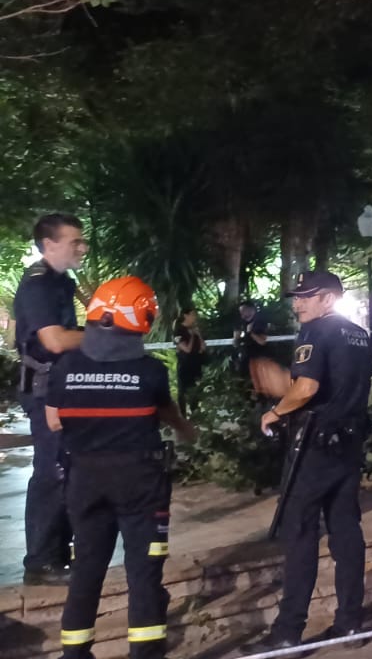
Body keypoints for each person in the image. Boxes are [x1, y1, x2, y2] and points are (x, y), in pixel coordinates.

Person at [47, 276, 198, 659]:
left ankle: (75, 654)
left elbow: (53, 421)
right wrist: (187, 432)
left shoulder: (65, 367)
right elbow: (169, 416)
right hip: (139, 482)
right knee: (143, 572)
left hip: (84, 480)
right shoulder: (150, 371)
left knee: (86, 570)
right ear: (141, 319)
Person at [253, 270, 372, 651]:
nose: (298, 304)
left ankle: (288, 632)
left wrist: (276, 410)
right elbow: (337, 384)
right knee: (346, 531)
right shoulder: (359, 334)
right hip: (349, 444)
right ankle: (350, 624)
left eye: (307, 296)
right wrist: (286, 384)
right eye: (297, 296)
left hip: (315, 447)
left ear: (329, 298)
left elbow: (307, 388)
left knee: (300, 535)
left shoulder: (316, 332)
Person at [14, 213, 87, 586]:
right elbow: (54, 340)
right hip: (44, 390)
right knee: (52, 471)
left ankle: (58, 555)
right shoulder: (38, 285)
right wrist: (109, 336)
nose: (83, 248)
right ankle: (41, 561)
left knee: (68, 469)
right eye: (75, 241)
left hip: (62, 386)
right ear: (49, 244)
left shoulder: (62, 282)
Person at [173, 308, 206, 417]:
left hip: (196, 364)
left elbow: (202, 347)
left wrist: (198, 335)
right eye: (192, 314)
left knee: (195, 388)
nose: (194, 317)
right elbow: (187, 349)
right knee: (182, 390)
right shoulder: (178, 331)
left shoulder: (194, 330)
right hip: (184, 364)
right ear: (185, 315)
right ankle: (182, 415)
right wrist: (191, 336)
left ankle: (195, 411)